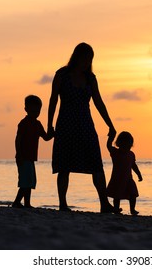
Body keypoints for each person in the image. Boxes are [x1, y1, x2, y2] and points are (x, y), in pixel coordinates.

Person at [47, 42, 116, 213]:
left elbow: (99, 102)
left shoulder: (91, 78)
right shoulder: (62, 74)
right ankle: (63, 204)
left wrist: (110, 124)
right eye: (85, 58)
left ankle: (104, 204)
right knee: (64, 166)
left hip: (86, 125)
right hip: (65, 125)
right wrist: (49, 125)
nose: (87, 62)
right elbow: (53, 100)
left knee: (96, 164)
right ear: (77, 56)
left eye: (90, 59)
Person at [12, 95, 53, 208]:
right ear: (26, 109)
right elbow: (18, 139)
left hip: (30, 157)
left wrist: (53, 132)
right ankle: (17, 202)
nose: (36, 112)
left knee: (29, 182)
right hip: (23, 156)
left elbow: (46, 137)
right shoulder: (23, 123)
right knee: (25, 182)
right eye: (33, 110)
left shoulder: (38, 124)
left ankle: (26, 203)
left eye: (38, 110)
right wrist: (18, 153)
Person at [106, 131, 143, 215]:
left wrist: (139, 174)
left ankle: (132, 210)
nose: (129, 147)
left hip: (129, 179)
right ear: (120, 144)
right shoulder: (115, 152)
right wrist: (110, 137)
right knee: (117, 196)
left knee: (133, 193)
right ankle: (116, 209)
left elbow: (133, 165)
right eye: (127, 145)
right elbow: (108, 145)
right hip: (117, 178)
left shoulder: (131, 154)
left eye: (130, 145)